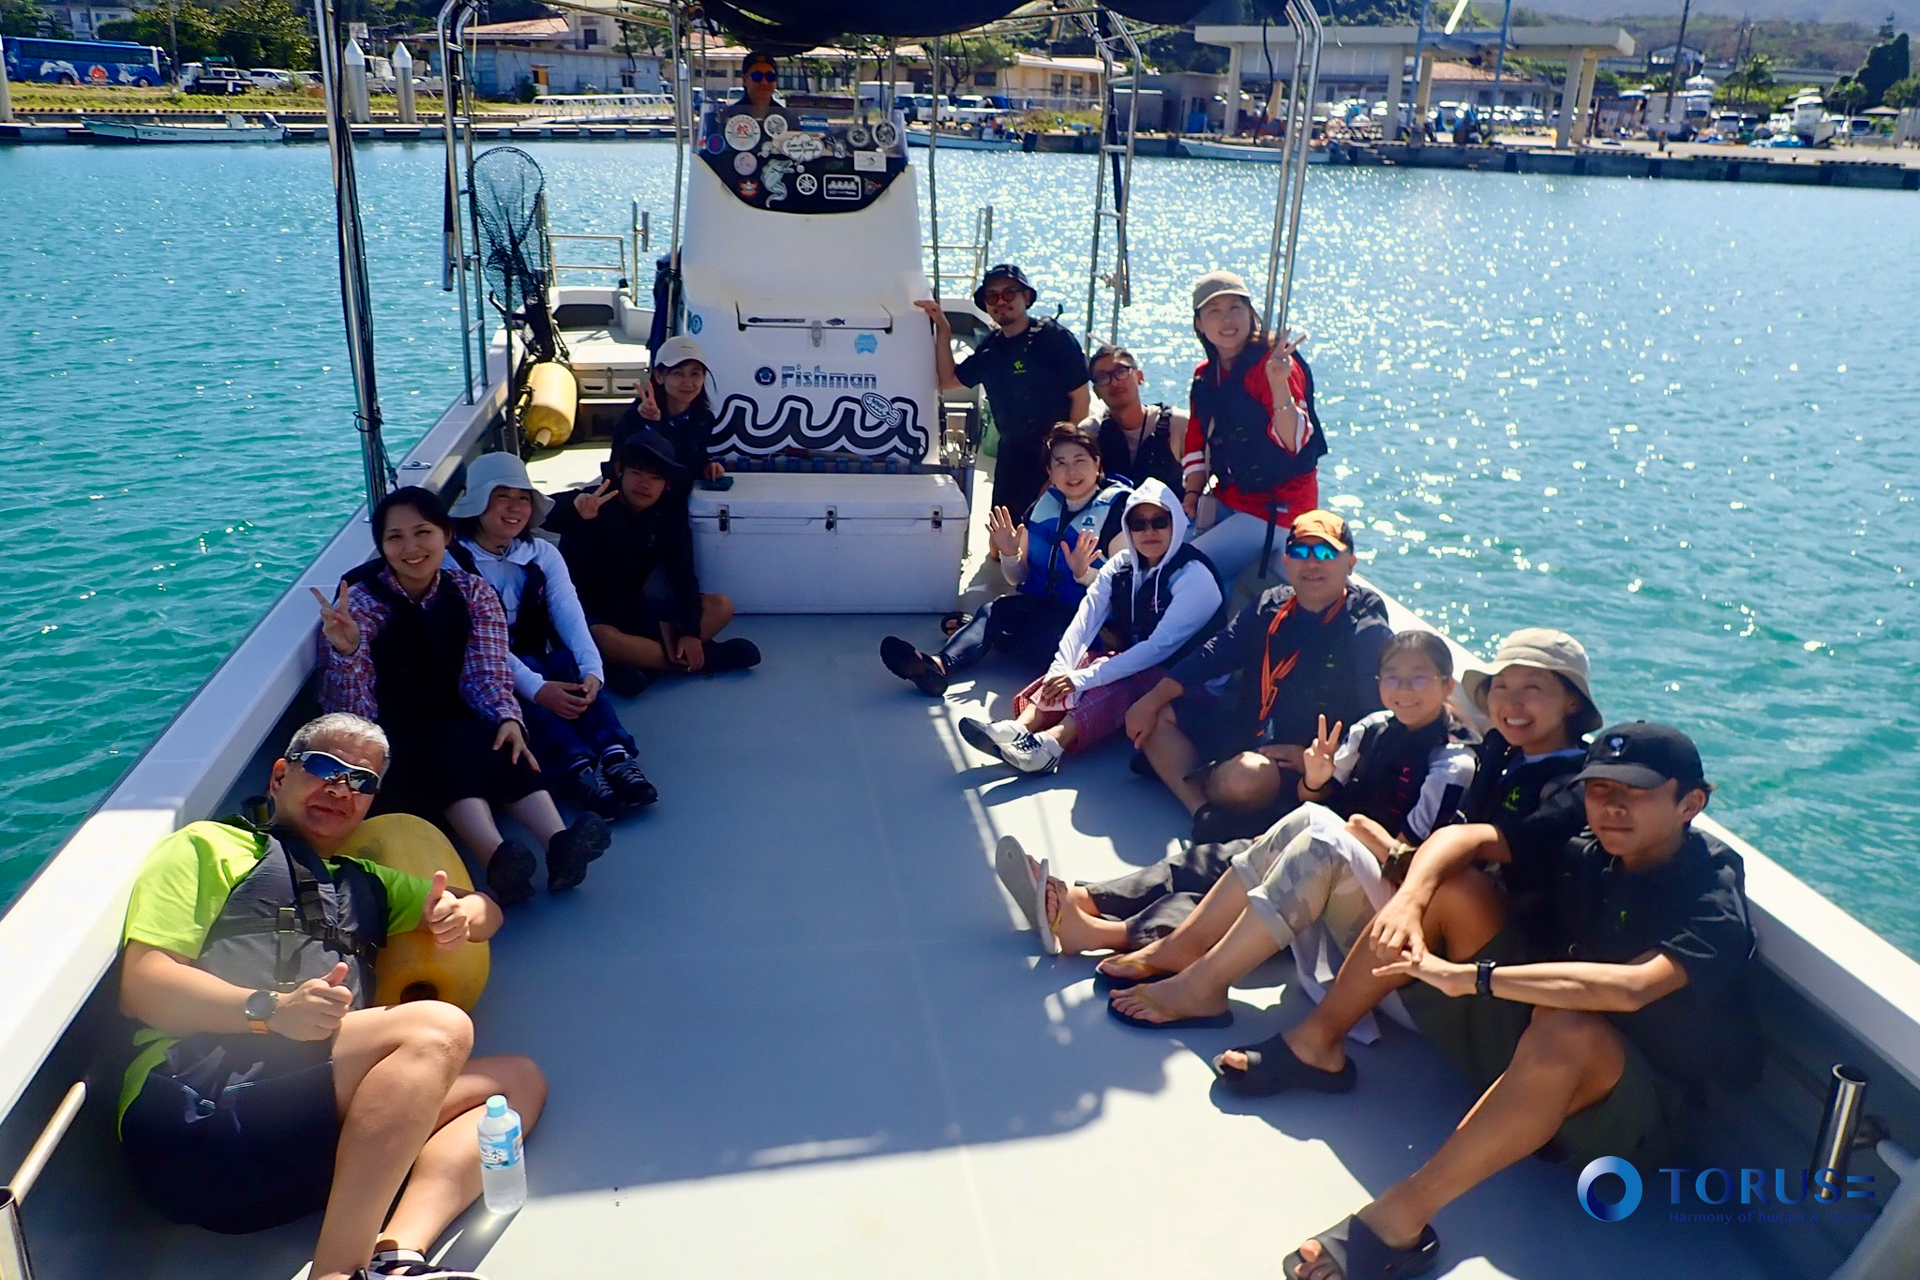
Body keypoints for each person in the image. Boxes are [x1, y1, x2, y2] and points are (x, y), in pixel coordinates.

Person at [1271, 724, 1759, 1280]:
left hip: (1631, 1117)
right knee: (1455, 890)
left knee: (1569, 1027)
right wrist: (1410, 898)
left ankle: (1401, 1217)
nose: (1612, 807)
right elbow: (1469, 839)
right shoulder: (1588, 849)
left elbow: (1630, 988)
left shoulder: (1709, 893)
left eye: (1637, 792)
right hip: (1537, 1043)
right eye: (1600, 789)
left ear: (1690, 804)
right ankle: (1316, 1045)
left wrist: (1471, 978)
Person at [116, 712, 544, 1280]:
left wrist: (461, 912)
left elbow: (485, 912)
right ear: (279, 775)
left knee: (516, 1084)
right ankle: (338, 1271)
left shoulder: (368, 881)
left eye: (362, 781)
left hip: (311, 1150)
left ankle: (397, 1255)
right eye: (324, 767)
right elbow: (143, 985)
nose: (341, 789)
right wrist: (270, 1011)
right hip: (199, 1117)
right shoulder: (208, 846)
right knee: (438, 1029)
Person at [1101, 628, 1600, 1035]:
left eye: (1533, 688)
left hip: (1452, 969)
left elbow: (1478, 867)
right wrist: (1323, 790)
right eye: (1502, 687)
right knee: (1308, 822)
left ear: (1572, 703)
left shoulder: (1568, 787)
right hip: (1412, 923)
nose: (1511, 701)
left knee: (1321, 840)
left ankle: (1201, 985)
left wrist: (1382, 846)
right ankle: (1184, 946)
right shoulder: (1502, 754)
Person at [315, 486, 609, 906]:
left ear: (446, 535)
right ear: (382, 547)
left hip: (454, 717)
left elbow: (485, 674)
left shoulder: (471, 593)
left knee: (499, 738)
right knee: (446, 747)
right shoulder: (359, 607)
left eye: (423, 532)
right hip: (391, 735)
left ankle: (559, 842)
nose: (411, 548)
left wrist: (508, 718)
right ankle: (496, 858)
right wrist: (348, 650)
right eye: (395, 537)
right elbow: (353, 712)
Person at [1123, 509, 1391, 841]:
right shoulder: (1271, 605)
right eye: (1300, 552)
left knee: (1247, 777)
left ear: (1350, 564)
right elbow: (1215, 654)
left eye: (1325, 553)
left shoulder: (1365, 625)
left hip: (1300, 763)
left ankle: (1194, 775)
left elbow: (1380, 716)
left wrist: (1323, 758)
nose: (1311, 563)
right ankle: (1203, 811)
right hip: (1247, 730)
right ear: (1287, 561)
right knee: (1156, 714)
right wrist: (1150, 700)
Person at [956, 478, 1225, 776]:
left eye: (1159, 522)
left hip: (1194, 684)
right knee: (1082, 661)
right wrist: (1061, 671)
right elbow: (1086, 619)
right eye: (1138, 524)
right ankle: (1021, 727)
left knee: (1114, 677)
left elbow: (1157, 649)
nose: (1149, 531)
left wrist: (1080, 680)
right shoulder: (1122, 565)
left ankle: (1050, 746)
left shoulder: (1194, 577)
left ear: (1176, 524)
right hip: (1146, 665)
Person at [448, 452, 657, 818]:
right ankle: (576, 769)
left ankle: (615, 754)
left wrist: (592, 671)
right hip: (485, 671)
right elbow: (478, 641)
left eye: (523, 498)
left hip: (537, 659)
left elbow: (568, 613)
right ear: (477, 502)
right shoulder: (452, 563)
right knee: (526, 696)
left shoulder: (541, 553)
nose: (515, 507)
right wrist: (538, 689)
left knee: (566, 666)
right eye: (502, 496)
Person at [879, 422, 1130, 697]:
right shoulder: (1043, 507)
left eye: (1080, 460)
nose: (1071, 471)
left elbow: (1127, 589)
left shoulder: (1117, 516)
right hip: (1040, 608)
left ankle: (983, 634)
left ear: (1097, 463)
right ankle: (938, 665)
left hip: (1084, 622)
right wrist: (1010, 554)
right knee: (993, 611)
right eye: (1060, 463)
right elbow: (1019, 578)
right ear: (1050, 472)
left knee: (1039, 636)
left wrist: (1085, 574)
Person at [544, 427, 759, 695]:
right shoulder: (593, 500)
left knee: (721, 606)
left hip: (635, 610)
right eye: (636, 473)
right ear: (620, 471)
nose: (644, 483)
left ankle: (640, 662)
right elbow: (543, 514)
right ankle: (702, 659)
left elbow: (683, 577)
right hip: (585, 615)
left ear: (666, 484)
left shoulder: (668, 518)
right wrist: (573, 511)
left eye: (655, 477)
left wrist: (690, 633)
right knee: (604, 639)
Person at [1180, 270, 1326, 583]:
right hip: (1231, 498)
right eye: (1214, 311)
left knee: (1189, 569)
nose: (1227, 320)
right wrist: (1192, 494)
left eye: (1235, 308)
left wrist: (1278, 383)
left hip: (1278, 510)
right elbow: (1196, 441)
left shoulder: (1276, 365)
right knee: (1162, 554)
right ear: (1199, 324)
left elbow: (1294, 441)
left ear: (1251, 314)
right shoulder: (1206, 375)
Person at [915, 264, 1092, 520]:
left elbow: (1081, 399)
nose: (1001, 302)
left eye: (1009, 293)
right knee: (1001, 535)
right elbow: (949, 380)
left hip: (1053, 456)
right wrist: (943, 328)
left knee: (1044, 530)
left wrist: (1063, 464)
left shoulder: (1054, 338)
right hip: (1011, 457)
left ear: (1026, 297)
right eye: (992, 296)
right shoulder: (991, 349)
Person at [611, 334, 725, 485]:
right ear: (659, 376)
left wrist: (707, 466)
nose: (688, 382)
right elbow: (620, 464)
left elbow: (691, 459)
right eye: (678, 373)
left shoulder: (704, 419)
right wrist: (652, 424)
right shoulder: (636, 416)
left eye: (695, 374)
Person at [1083, 343, 1185, 493]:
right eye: (1103, 377)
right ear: (1096, 392)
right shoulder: (1090, 433)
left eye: (1121, 371)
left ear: (1140, 377)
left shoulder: (1177, 425)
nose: (1114, 382)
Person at [724, 51, 802, 132]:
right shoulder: (730, 115)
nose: (764, 82)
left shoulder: (788, 118)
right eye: (757, 76)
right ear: (744, 80)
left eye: (770, 77)